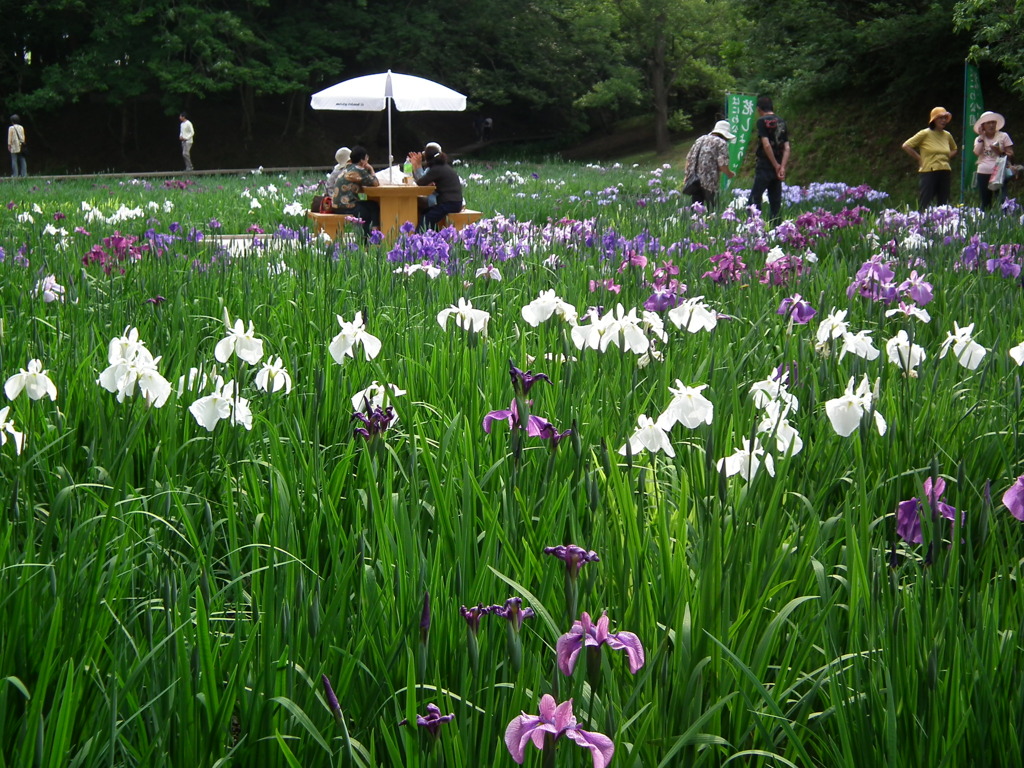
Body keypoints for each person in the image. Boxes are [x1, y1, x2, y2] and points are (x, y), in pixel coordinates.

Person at [902, 107, 958, 211]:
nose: (943, 120)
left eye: (945, 118)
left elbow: (954, 149)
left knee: (944, 203)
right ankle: (923, 219)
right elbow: (906, 145)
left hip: (945, 170)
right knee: (926, 201)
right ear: (934, 120)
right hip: (929, 170)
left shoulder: (947, 135)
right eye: (940, 118)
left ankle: (943, 220)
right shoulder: (925, 133)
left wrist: (945, 157)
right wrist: (919, 158)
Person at [747, 96, 790, 227]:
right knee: (775, 202)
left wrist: (775, 165)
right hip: (779, 165)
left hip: (765, 164)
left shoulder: (762, 121)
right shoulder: (782, 121)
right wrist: (782, 167)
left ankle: (755, 228)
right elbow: (787, 147)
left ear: (759, 109)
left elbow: (766, 145)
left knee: (754, 200)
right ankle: (777, 230)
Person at [683, 119, 736, 209]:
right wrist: (729, 173)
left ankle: (696, 218)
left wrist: (687, 175)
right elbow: (722, 165)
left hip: (694, 179)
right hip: (709, 180)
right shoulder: (721, 143)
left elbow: (689, 159)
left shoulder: (700, 139)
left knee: (696, 206)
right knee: (711, 207)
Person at [409, 146, 463, 230]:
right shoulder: (444, 167)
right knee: (425, 212)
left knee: (425, 220)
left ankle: (419, 236)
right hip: (455, 203)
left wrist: (417, 166)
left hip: (449, 204)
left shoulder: (436, 169)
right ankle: (433, 234)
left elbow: (420, 183)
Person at [333, 145, 380, 238]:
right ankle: (371, 236)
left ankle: (368, 236)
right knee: (372, 208)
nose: (367, 160)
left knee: (370, 206)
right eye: (366, 157)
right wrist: (371, 168)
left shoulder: (348, 168)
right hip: (347, 207)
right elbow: (375, 183)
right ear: (362, 160)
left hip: (336, 206)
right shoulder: (359, 169)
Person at [972, 110, 1014, 211]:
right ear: (983, 126)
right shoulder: (979, 139)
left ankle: (1005, 218)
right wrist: (982, 137)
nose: (991, 125)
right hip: (983, 172)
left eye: (993, 122)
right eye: (988, 123)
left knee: (1002, 199)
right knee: (985, 202)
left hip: (999, 172)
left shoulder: (1003, 136)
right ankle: (986, 218)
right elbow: (977, 152)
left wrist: (999, 151)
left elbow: (1011, 154)